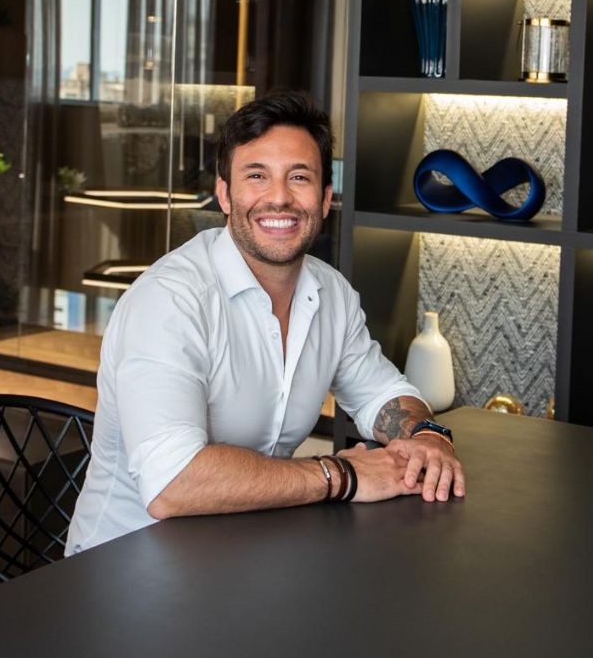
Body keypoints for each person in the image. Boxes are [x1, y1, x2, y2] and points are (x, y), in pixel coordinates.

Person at [66, 91, 465, 554]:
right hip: (124, 567)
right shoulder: (170, 300)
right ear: (225, 195)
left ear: (325, 198)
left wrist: (427, 437)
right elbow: (172, 483)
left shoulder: (331, 292)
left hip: (248, 550)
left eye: (299, 177)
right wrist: (343, 475)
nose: (279, 198)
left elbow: (381, 393)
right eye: (257, 176)